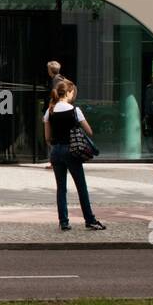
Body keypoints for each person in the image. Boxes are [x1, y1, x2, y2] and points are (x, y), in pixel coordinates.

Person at [43, 79, 106, 231]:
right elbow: (89, 131)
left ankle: (64, 221)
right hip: (71, 150)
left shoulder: (49, 111)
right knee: (81, 187)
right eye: (73, 93)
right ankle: (89, 220)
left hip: (56, 152)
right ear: (69, 92)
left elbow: (47, 137)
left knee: (61, 188)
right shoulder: (74, 110)